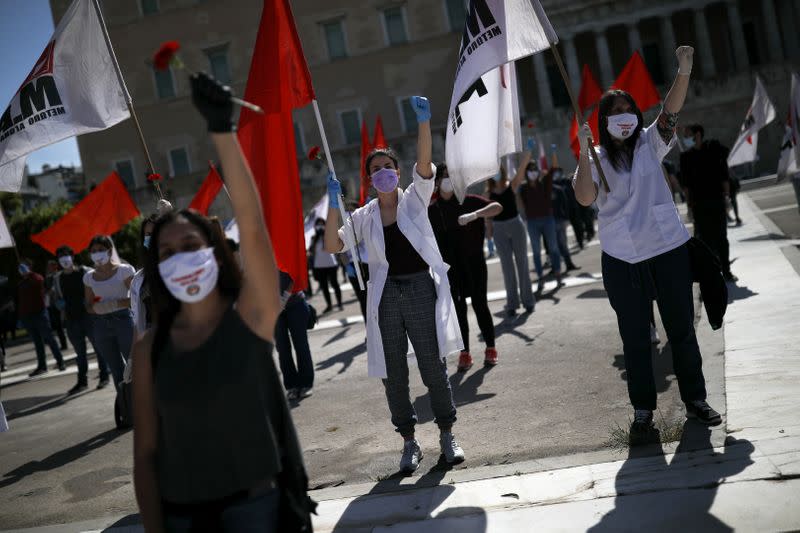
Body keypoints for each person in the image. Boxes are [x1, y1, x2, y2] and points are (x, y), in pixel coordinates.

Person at [132, 73, 314, 532]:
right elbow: (145, 456)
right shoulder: (148, 350)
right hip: (182, 519)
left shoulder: (251, 320)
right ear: (157, 271)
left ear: (214, 252)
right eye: (168, 254)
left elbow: (252, 225)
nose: (181, 259)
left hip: (257, 513)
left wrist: (222, 130)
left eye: (191, 245)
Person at [573, 46, 722, 432]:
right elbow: (585, 197)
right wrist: (583, 154)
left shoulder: (649, 142)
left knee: (681, 329)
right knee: (636, 340)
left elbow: (670, 112)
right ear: (603, 121)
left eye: (627, 109)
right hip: (623, 259)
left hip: (666, 249)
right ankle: (643, 412)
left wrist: (684, 71)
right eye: (613, 112)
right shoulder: (596, 159)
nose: (622, 116)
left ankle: (696, 399)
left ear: (635, 115)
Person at [323, 96, 465, 474]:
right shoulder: (362, 217)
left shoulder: (415, 201)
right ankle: (408, 441)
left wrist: (423, 123)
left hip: (419, 288)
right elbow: (332, 245)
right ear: (369, 179)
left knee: (433, 367)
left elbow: (424, 164)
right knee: (393, 374)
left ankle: (447, 435)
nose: (383, 172)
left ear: (398, 173)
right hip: (384, 297)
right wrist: (332, 203)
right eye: (376, 169)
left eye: (388, 167)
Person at [430, 163, 502, 371]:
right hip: (451, 270)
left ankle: (491, 348)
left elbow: (497, 207)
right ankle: (465, 353)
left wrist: (475, 215)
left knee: (480, 305)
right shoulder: (433, 211)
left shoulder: (468, 201)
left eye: (451, 176)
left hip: (474, 264)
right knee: (458, 311)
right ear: (436, 182)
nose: (447, 180)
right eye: (443, 176)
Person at [679, 124, 736, 281]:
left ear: (697, 134)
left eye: (687, 134)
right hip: (698, 204)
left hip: (716, 201)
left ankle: (726, 270)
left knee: (721, 237)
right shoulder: (686, 157)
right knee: (703, 240)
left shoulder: (714, 149)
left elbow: (724, 174)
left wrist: (727, 198)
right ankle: (711, 272)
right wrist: (689, 206)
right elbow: (686, 185)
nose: (685, 138)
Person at [486, 144, 536, 317]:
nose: (496, 174)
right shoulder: (488, 192)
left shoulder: (511, 184)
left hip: (516, 225)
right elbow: (487, 216)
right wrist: (489, 234)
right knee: (507, 268)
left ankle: (528, 301)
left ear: (502, 171)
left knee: (522, 263)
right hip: (499, 229)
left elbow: (522, 169)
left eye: (497, 170)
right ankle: (512, 303)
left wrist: (528, 153)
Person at [54, 246, 110, 393]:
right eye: (60, 256)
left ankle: (104, 376)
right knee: (80, 353)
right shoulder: (58, 278)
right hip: (71, 320)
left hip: (89, 317)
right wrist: (59, 305)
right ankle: (82, 381)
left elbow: (97, 290)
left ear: (72, 256)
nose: (64, 259)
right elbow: (57, 297)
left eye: (66, 255)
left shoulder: (85, 272)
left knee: (99, 348)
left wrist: (94, 303)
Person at [83, 235, 135, 389]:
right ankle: (126, 408)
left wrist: (114, 304)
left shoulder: (124, 270)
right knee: (116, 371)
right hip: (101, 325)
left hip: (124, 321)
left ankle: (144, 404)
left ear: (109, 250)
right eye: (93, 251)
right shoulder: (88, 277)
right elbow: (88, 305)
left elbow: (137, 299)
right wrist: (95, 308)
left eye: (100, 250)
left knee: (133, 366)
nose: (97, 254)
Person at [519, 159, 563, 292]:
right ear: (526, 173)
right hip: (532, 222)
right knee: (536, 252)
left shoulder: (545, 183)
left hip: (547, 219)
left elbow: (553, 167)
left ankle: (558, 275)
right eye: (530, 170)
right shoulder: (523, 188)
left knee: (553, 248)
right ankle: (540, 278)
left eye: (534, 169)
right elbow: (521, 204)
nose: (533, 172)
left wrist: (553, 153)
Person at [17, 258, 65, 377]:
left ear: (29, 267)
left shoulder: (36, 278)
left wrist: (29, 274)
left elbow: (39, 285)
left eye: (23, 266)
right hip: (27, 316)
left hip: (40, 314)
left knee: (49, 339)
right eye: (20, 267)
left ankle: (60, 362)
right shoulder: (21, 283)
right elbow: (21, 302)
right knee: (37, 343)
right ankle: (42, 366)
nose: (21, 269)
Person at [276, 271, 314, 401]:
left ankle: (306, 384)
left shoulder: (284, 251)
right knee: (282, 349)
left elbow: (296, 275)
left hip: (295, 303)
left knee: (301, 345)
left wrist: (284, 298)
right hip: (273, 307)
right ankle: (292, 386)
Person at [309, 218, 343, 313]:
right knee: (324, 287)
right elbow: (312, 252)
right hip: (319, 266)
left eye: (322, 224)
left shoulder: (329, 235)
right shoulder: (313, 239)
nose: (320, 227)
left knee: (334, 284)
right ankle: (329, 305)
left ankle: (340, 303)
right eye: (318, 225)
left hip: (331, 264)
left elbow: (333, 247)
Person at [551, 167, 580, 272]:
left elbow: (565, 204)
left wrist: (565, 217)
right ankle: (555, 267)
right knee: (553, 246)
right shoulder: (545, 192)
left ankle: (568, 264)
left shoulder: (558, 189)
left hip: (559, 220)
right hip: (549, 222)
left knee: (563, 244)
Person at [44, 260, 68, 351]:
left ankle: (64, 343)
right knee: (57, 326)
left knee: (61, 325)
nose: (49, 268)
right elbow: (46, 288)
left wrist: (51, 291)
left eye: (50, 266)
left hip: (59, 303)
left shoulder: (59, 275)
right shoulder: (48, 277)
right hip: (51, 304)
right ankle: (62, 343)